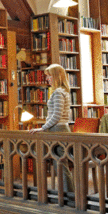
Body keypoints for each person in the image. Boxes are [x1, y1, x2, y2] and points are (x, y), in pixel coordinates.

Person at [29, 63, 73, 192]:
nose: (47, 79)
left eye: (49, 76)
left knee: (60, 165)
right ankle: (67, 194)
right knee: (60, 165)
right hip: (60, 129)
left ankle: (69, 196)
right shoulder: (62, 91)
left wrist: (42, 128)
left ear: (56, 76)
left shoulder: (58, 93)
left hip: (58, 130)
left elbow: (56, 116)